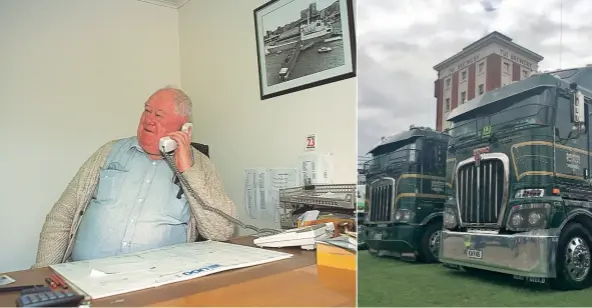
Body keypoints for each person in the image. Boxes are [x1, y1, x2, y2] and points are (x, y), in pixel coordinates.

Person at [32, 86, 237, 268]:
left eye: (159, 115)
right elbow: (62, 215)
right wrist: (43, 271)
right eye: (147, 110)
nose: (148, 119)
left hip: (157, 283)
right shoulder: (108, 152)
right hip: (86, 274)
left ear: (182, 127)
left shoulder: (200, 165)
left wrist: (187, 170)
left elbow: (221, 231)